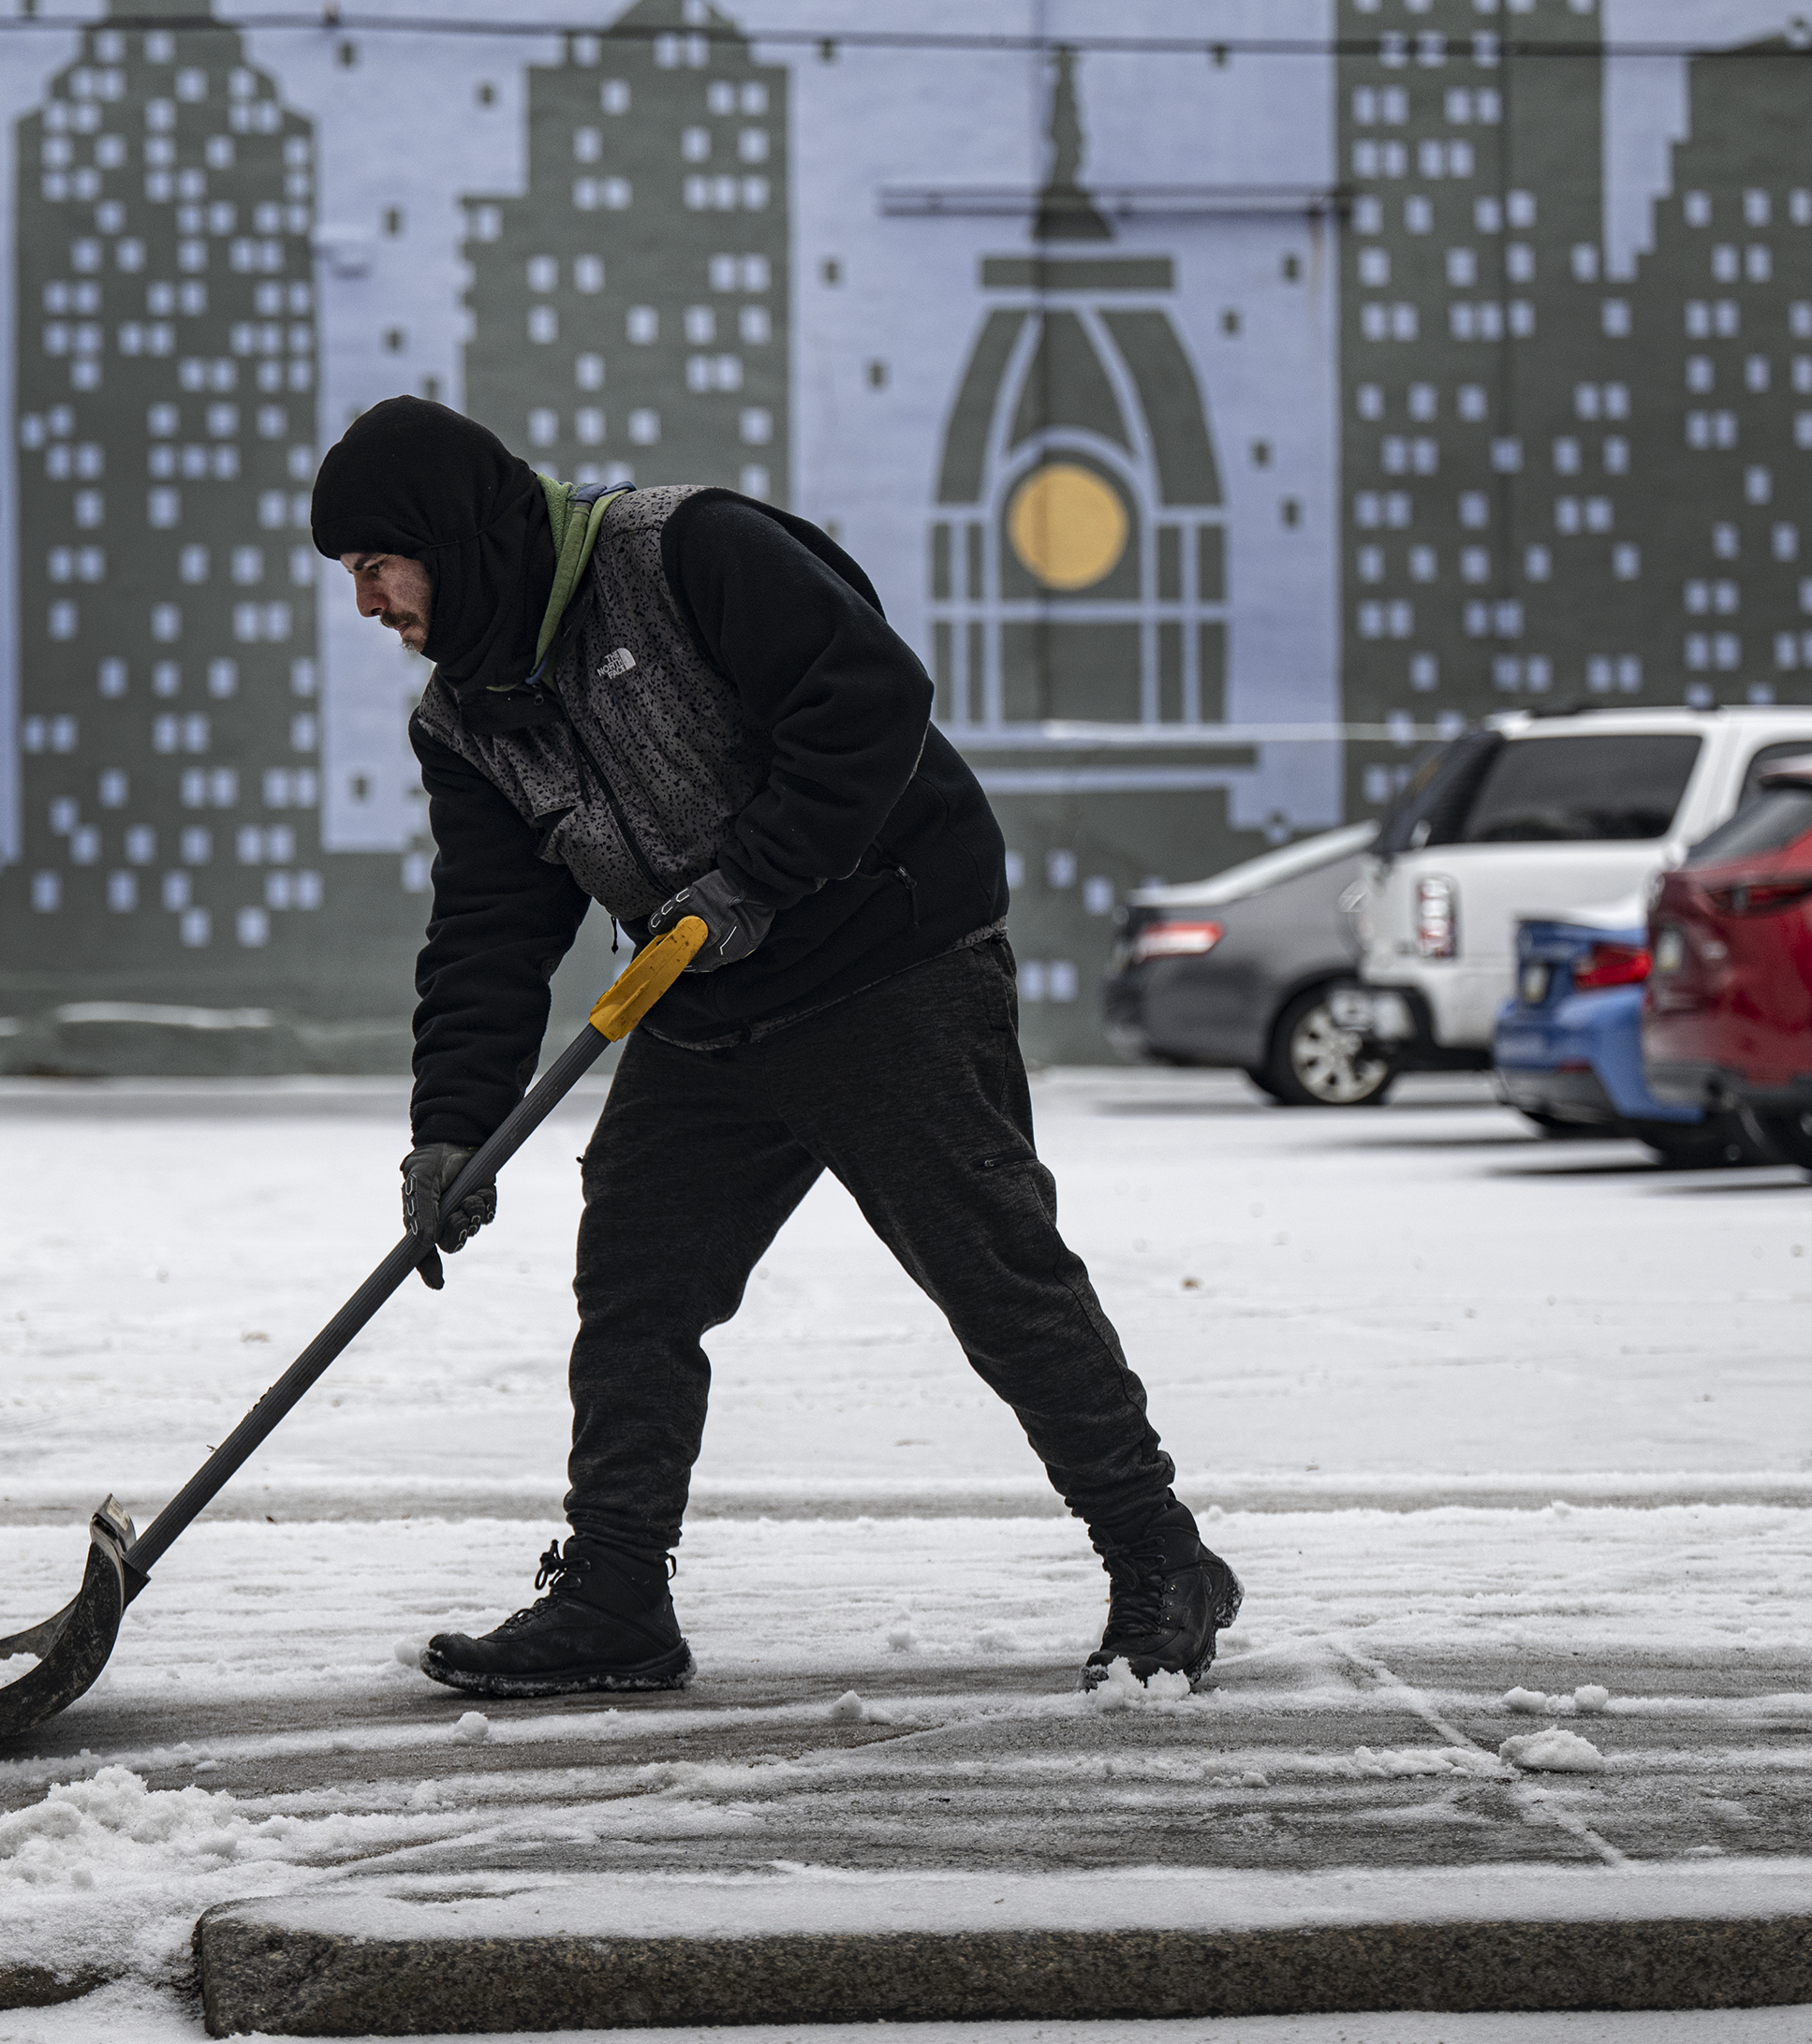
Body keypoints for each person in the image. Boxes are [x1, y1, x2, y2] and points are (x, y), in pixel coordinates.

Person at [308, 394, 1235, 1700]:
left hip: (886, 964)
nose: (367, 606)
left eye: (373, 568)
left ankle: (1162, 1558)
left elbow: (869, 701)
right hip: (705, 997)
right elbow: (488, 935)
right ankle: (616, 1592)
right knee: (635, 1273)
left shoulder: (685, 551)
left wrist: (758, 875)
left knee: (994, 1274)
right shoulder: (466, 720)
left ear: (447, 537)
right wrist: (451, 1127)